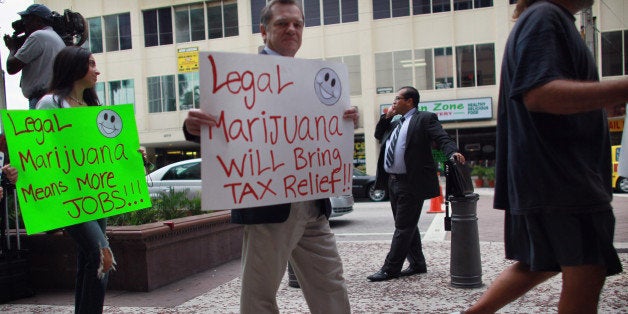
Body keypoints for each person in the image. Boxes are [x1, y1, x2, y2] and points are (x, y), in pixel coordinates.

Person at [182, 1, 357, 313]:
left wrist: (343, 120)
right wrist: (192, 127)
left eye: (297, 24)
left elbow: (315, 133)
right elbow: (219, 129)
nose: (291, 29)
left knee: (331, 282)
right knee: (260, 293)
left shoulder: (315, 79)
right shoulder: (237, 77)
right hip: (269, 206)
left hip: (313, 203)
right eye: (282, 23)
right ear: (263, 31)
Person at [461, 1, 626, 313]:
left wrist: (599, 101)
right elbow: (540, 94)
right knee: (588, 267)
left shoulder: (544, 18)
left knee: (541, 262)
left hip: (548, 178)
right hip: (562, 178)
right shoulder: (545, 16)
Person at [36, 46, 114, 314]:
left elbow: (103, 152)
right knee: (102, 255)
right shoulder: (50, 104)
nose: (97, 70)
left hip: (96, 193)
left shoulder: (95, 107)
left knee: (88, 261)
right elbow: (37, 150)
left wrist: (128, 153)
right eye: (91, 64)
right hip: (67, 194)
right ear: (74, 66)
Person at [367, 86, 465, 282]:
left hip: (411, 182)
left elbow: (442, 138)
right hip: (393, 182)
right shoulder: (395, 124)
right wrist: (387, 117)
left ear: (410, 101)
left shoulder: (425, 118)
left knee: (403, 227)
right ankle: (418, 263)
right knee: (406, 225)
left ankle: (390, 269)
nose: (393, 102)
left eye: (397, 98)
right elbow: (378, 135)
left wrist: (452, 152)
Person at [4, 4, 65, 109]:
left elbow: (11, 67)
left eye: (27, 19)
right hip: (55, 97)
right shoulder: (55, 37)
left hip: (40, 98)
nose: (24, 23)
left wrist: (12, 48)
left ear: (37, 20)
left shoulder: (38, 36)